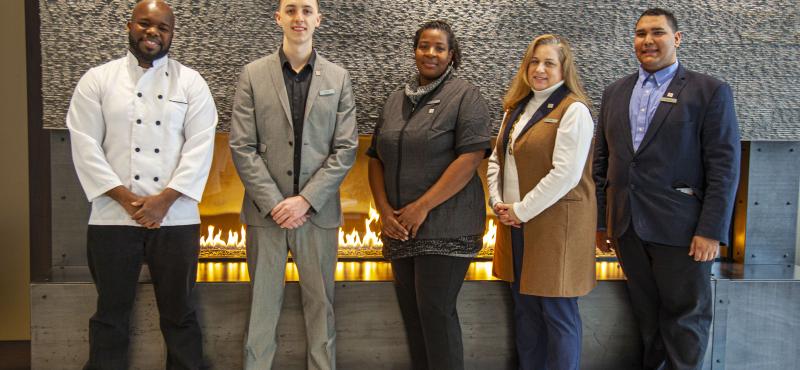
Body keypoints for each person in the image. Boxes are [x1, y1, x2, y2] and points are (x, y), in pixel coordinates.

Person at [66, 1, 217, 369]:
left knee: (180, 313)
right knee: (110, 314)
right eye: (145, 24)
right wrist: (128, 199)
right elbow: (84, 144)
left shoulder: (191, 82)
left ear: (172, 35)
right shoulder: (97, 80)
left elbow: (201, 147)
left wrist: (163, 202)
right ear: (129, 26)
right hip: (113, 219)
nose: (154, 32)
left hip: (176, 218)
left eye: (163, 27)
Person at [593, 8, 740, 370]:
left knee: (685, 321)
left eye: (657, 33)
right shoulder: (615, 92)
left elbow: (724, 166)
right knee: (648, 320)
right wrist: (602, 221)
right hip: (627, 228)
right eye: (640, 33)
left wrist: (710, 230)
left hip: (682, 230)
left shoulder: (709, 91)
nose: (647, 41)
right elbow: (601, 162)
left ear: (676, 39)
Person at [228, 0, 358, 368]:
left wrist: (305, 200)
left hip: (316, 215)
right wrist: (275, 202)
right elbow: (242, 146)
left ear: (318, 19)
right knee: (261, 309)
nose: (298, 17)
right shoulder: (252, 74)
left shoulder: (338, 77)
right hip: (265, 215)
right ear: (278, 18)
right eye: (291, 10)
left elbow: (346, 149)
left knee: (322, 310)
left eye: (306, 10)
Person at [366, 20, 491, 370]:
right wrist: (384, 211)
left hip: (447, 227)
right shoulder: (395, 100)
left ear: (452, 55)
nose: (430, 53)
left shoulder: (465, 95)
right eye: (424, 46)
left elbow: (470, 159)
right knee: (414, 316)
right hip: (400, 228)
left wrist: (420, 208)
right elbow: (375, 158)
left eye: (439, 47)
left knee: (436, 313)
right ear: (415, 50)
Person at [487, 34, 596, 370]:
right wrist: (497, 201)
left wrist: (519, 209)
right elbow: (496, 159)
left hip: (554, 229)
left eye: (549, 62)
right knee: (526, 311)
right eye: (534, 61)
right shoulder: (515, 108)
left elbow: (565, 175)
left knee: (557, 312)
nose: (539, 69)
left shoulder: (573, 110)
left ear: (564, 69)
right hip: (515, 224)